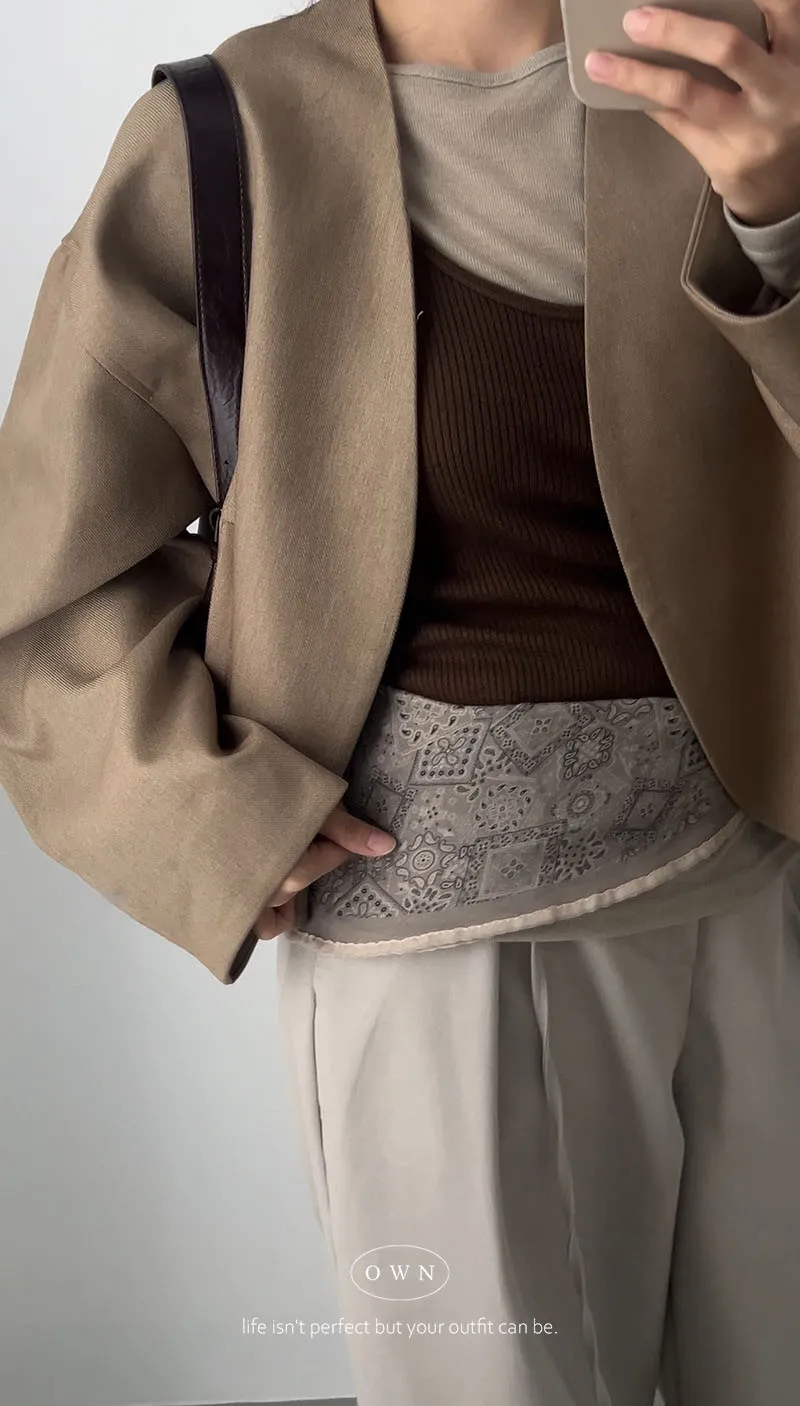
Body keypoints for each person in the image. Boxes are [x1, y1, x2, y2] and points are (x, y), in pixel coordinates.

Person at [1, 0, 800, 1401]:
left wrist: (781, 216)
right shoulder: (225, 137)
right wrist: (204, 814)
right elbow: (44, 582)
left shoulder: (740, 74)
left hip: (764, 889)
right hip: (442, 953)